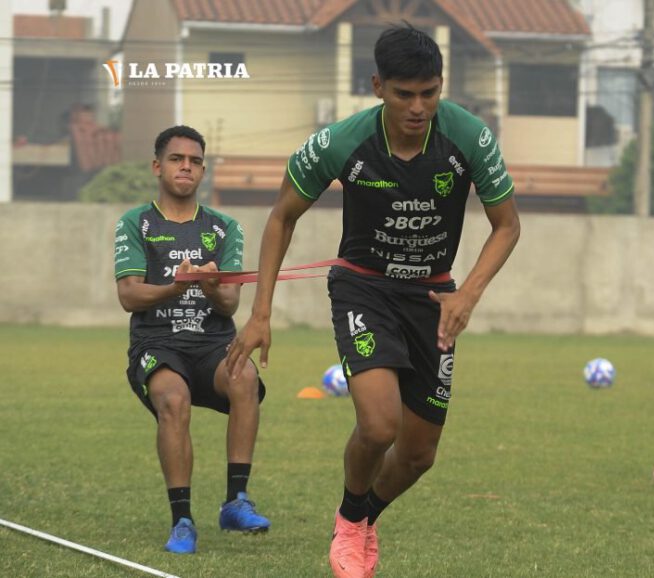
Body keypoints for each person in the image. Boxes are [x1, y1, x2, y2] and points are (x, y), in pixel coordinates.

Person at [225, 24, 520, 578]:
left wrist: (469, 294)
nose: (418, 106)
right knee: (380, 426)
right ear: (377, 85)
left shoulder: (469, 136)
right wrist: (260, 312)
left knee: (417, 455)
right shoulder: (340, 141)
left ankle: (365, 518)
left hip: (434, 298)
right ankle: (348, 517)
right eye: (404, 94)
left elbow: (507, 225)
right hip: (364, 289)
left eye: (429, 93)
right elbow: (281, 216)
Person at [114, 126, 270, 554]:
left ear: (203, 169)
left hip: (211, 345)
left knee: (245, 377)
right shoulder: (136, 223)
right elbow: (129, 295)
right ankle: (182, 521)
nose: (186, 166)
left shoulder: (223, 228)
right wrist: (175, 286)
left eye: (195, 161)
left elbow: (229, 304)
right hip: (157, 344)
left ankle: (235, 502)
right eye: (177, 159)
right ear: (157, 166)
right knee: (173, 400)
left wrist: (208, 285)